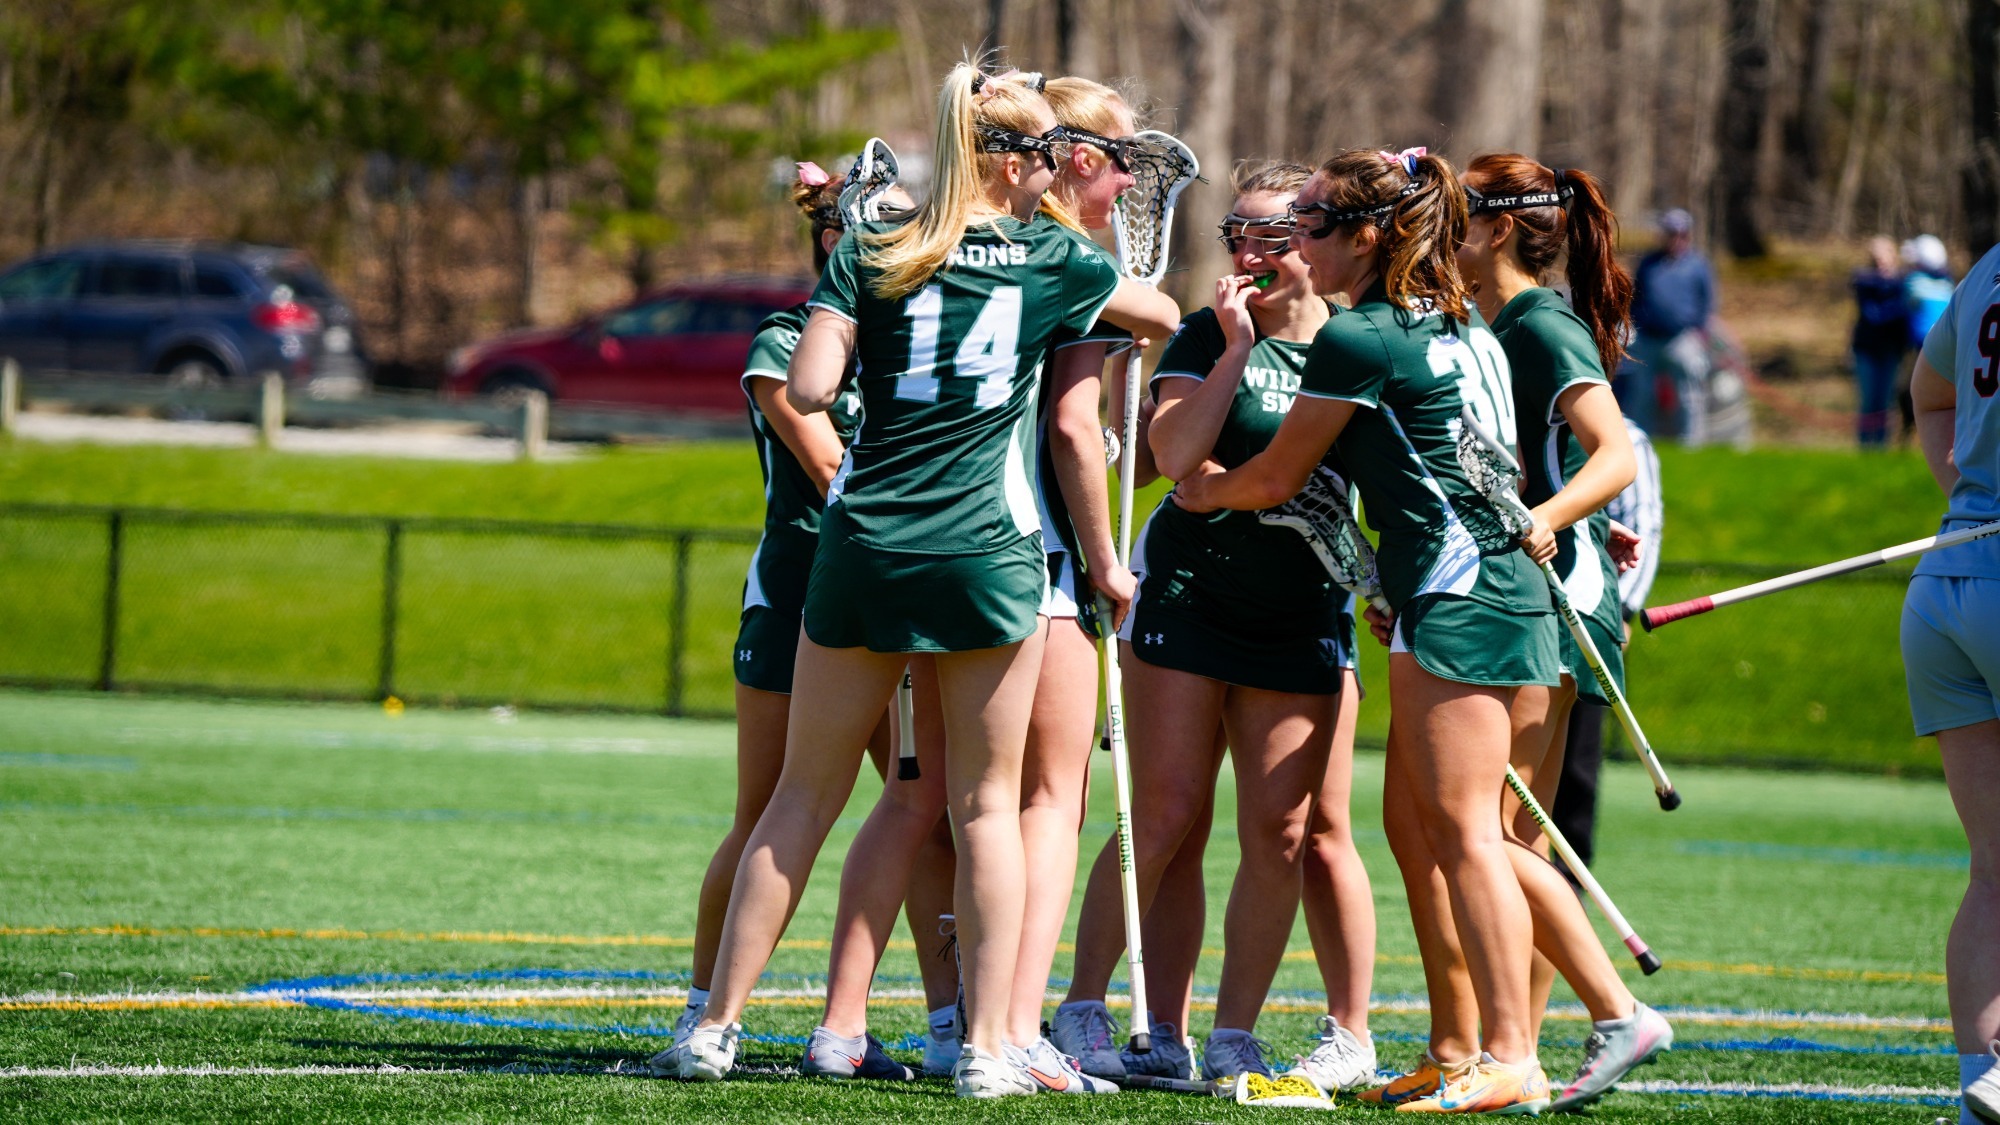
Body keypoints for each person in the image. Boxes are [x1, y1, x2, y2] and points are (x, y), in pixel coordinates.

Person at [664, 64, 1178, 1098]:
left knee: (801, 798)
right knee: (986, 808)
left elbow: (813, 385)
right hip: (984, 550)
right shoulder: (1049, 258)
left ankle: (714, 1027)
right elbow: (1157, 311)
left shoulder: (875, 247)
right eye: (1045, 155)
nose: (1055, 171)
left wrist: (856, 302)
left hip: (864, 545)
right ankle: (987, 1048)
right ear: (1010, 162)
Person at [1176, 146, 1558, 1115]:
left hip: (1461, 592)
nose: (1294, 243)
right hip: (1485, 586)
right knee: (1445, 830)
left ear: (1367, 236)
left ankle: (1510, 1054)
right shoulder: (1462, 319)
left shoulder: (1359, 336)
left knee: (1465, 835)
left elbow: (1274, 476)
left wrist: (1204, 491)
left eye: (1310, 224)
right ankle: (1459, 1049)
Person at [802, 72, 1145, 1095]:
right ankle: (1005, 1028)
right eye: (1111, 158)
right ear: (1056, 158)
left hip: (917, 545)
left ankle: (900, 1022)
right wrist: (1103, 558)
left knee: (918, 796)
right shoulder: (1055, 261)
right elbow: (1075, 426)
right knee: (1026, 800)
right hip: (1016, 551)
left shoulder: (952, 244)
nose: (1125, 181)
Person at [1049, 160, 1378, 1094]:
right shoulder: (1204, 332)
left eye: (1273, 235)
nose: (1250, 252)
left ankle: (1233, 1032)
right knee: (1164, 814)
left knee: (1281, 831)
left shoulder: (1355, 343)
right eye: (1238, 234)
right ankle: (1090, 1006)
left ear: (1313, 242)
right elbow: (1170, 453)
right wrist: (1234, 350)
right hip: (1191, 599)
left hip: (1301, 616)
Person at [667, 161, 954, 1081]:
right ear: (835, 237)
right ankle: (705, 1014)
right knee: (768, 811)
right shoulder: (787, 337)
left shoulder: (912, 337)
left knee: (926, 814)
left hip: (891, 592)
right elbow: (832, 468)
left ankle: (945, 1021)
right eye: (884, 225)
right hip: (800, 591)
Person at [1448, 153, 1672, 1111]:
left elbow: (1614, 454)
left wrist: (1550, 517)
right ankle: (1524, 1053)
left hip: (1555, 597)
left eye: (1458, 214)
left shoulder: (1541, 321)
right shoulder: (1483, 320)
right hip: (1521, 590)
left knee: (1494, 831)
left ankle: (1615, 1015)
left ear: (1499, 227)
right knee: (1510, 837)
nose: (1442, 231)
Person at [1903, 239, 2000, 1125]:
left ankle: (1983, 1084)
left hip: (1947, 580)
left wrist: (1968, 500)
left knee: (1995, 869)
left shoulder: (1986, 269)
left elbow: (1928, 393)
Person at [1553, 416, 1661, 873]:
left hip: (1589, 608)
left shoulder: (1629, 438)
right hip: (1527, 607)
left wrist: (1624, 611)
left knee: (1577, 755)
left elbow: (1645, 528)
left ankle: (1570, 873)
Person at [1625, 208, 1715, 443]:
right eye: (1670, 233)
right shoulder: (1648, 263)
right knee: (1642, 394)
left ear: (1687, 235)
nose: (1675, 239)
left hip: (1682, 338)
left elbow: (1707, 302)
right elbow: (1635, 297)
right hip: (1648, 339)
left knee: (1689, 395)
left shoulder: (1697, 264)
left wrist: (1699, 332)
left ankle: (1690, 444)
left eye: (1680, 234)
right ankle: (1640, 442)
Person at [1850, 236, 1909, 447]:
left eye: (1884, 258)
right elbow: (1873, 315)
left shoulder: (1904, 283)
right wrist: (1901, 305)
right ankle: (1866, 447)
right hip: (1866, 350)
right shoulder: (1864, 283)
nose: (1881, 264)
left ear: (1893, 257)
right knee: (1869, 400)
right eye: (1876, 260)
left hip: (1891, 351)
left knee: (1886, 401)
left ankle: (1882, 446)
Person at [1902, 234, 1957, 441]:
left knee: (1916, 390)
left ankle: (1912, 431)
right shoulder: (1947, 284)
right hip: (1948, 344)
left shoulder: (1913, 282)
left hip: (1921, 345)